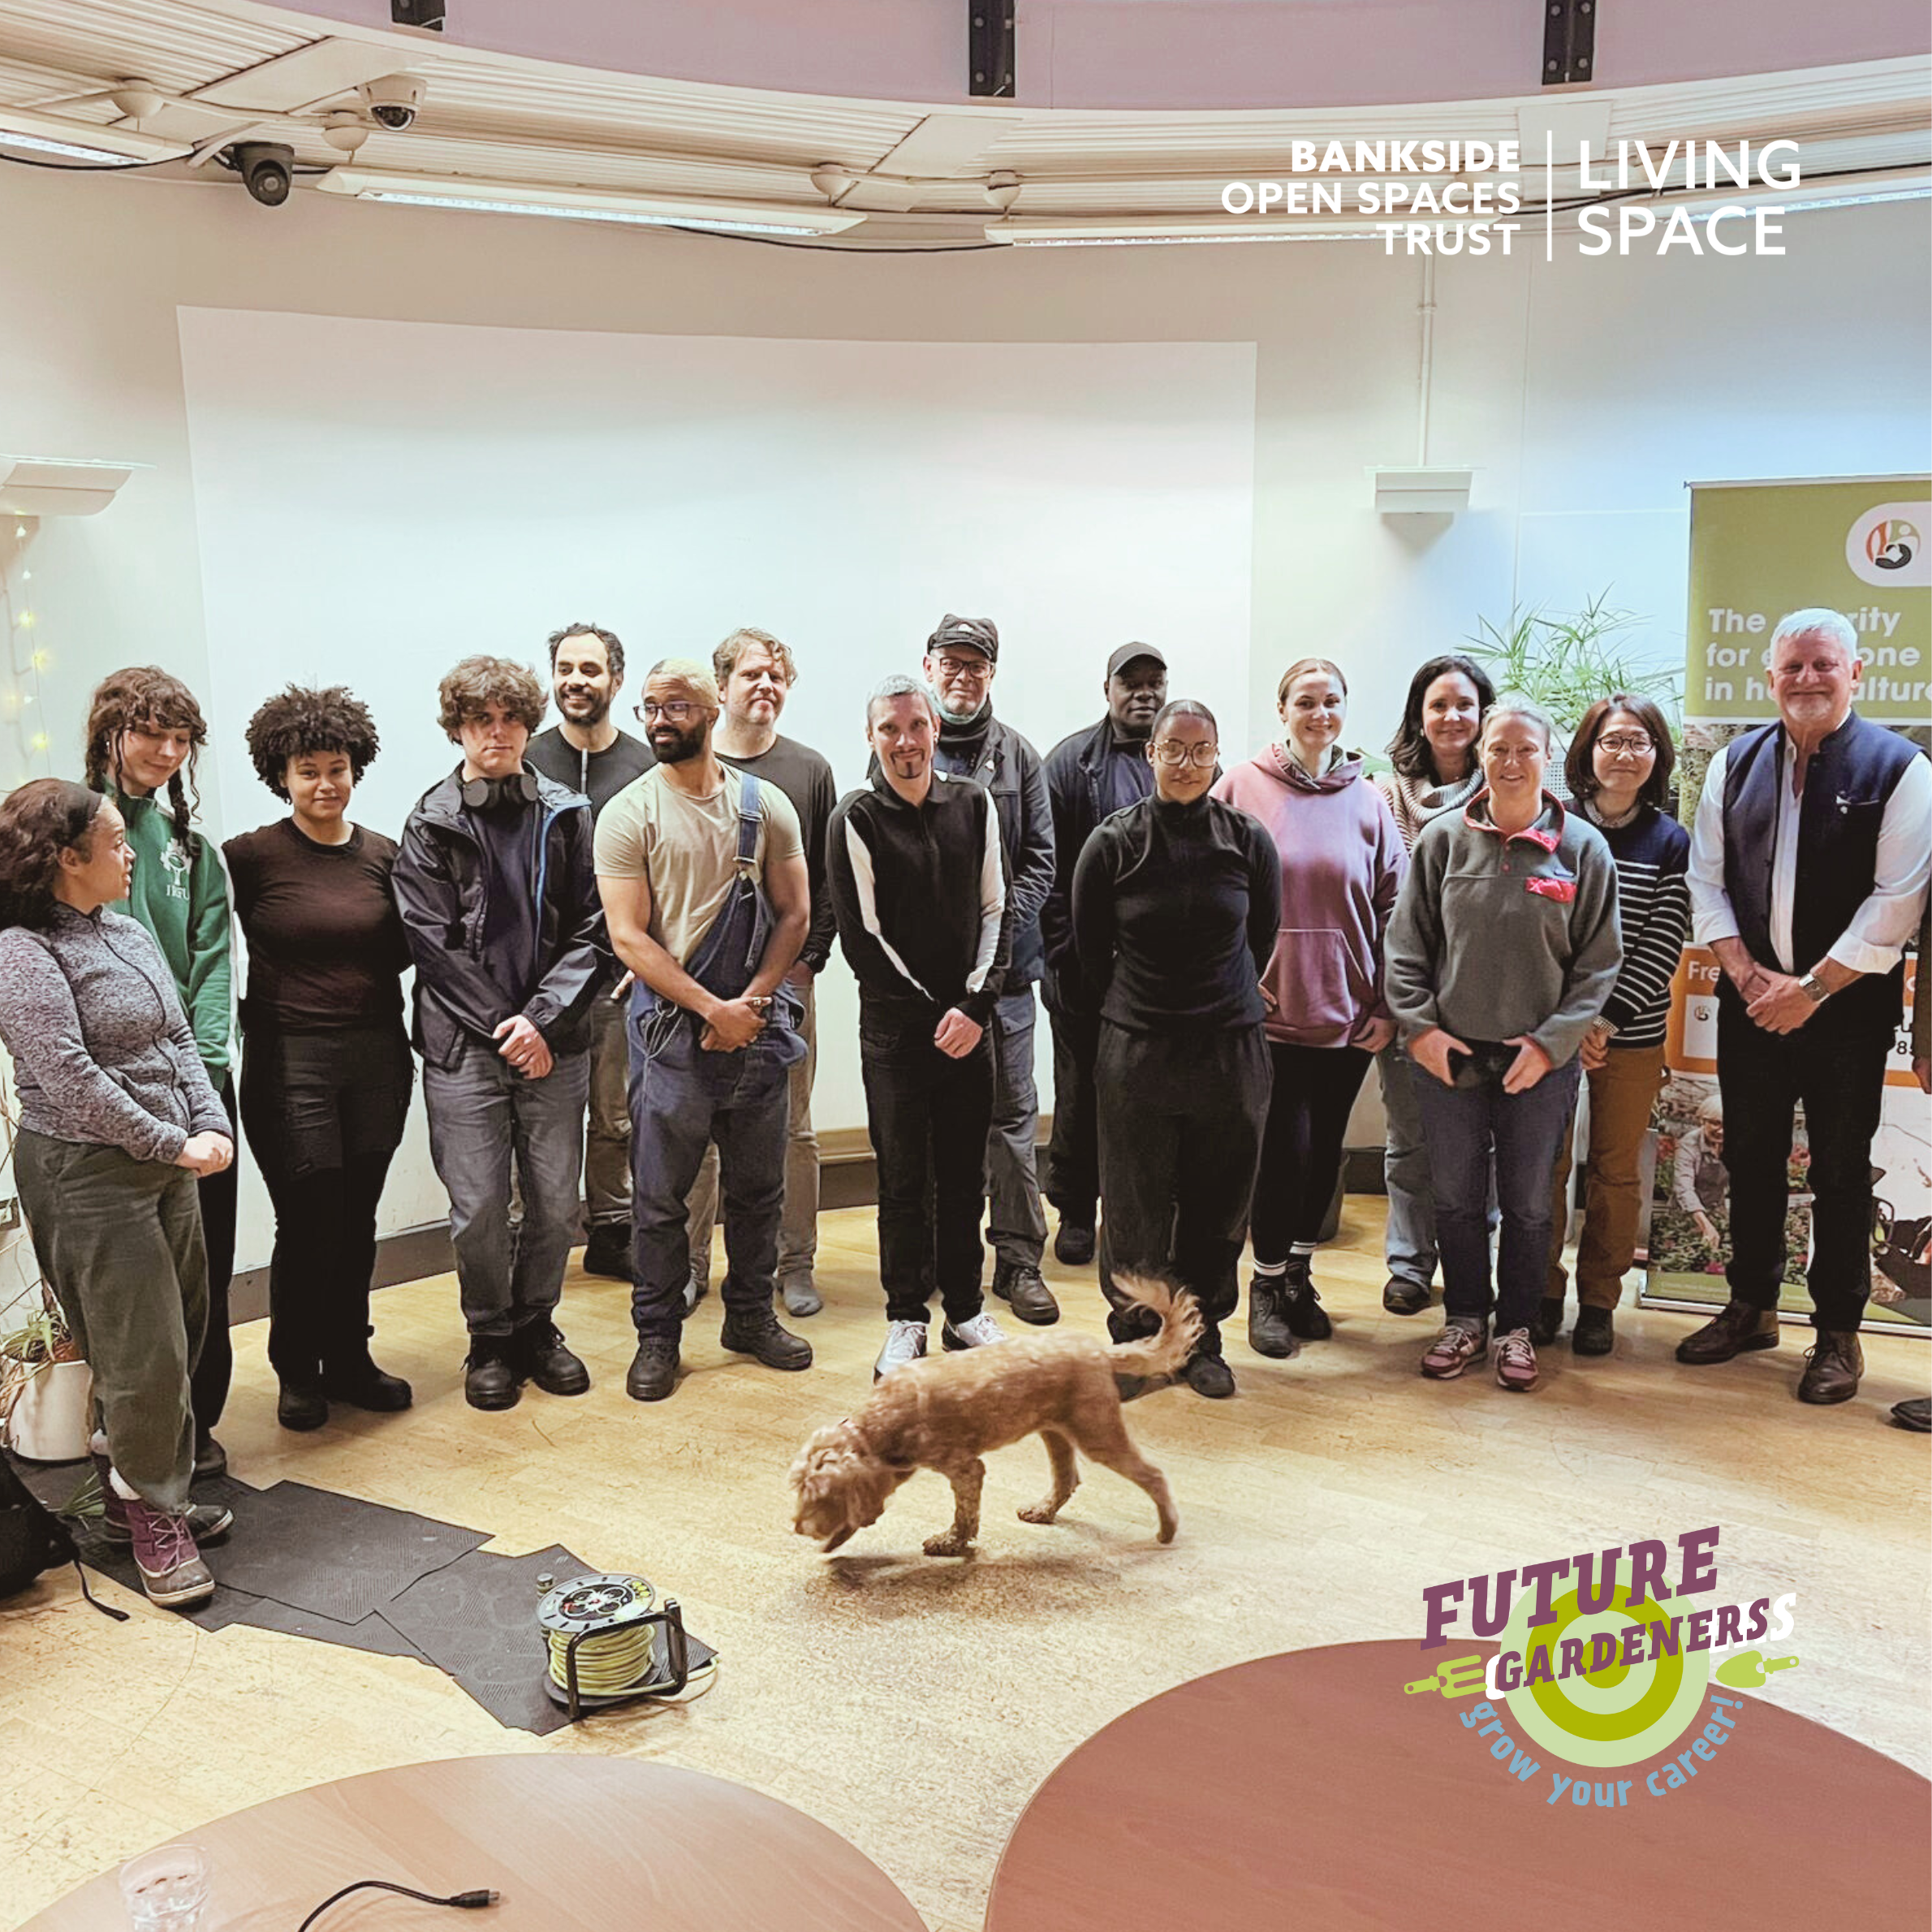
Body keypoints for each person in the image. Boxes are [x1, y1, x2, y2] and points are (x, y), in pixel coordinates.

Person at [1680, 609, 1932, 1404]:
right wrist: (1747, 975)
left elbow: (1898, 901)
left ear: (1854, 673)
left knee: (1838, 1171)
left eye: (1822, 664)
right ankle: (1750, 1306)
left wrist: (1811, 988)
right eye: (1791, 667)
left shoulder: (1900, 767)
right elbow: (1705, 882)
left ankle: (1836, 1334)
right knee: (1749, 1159)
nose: (1806, 679)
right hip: (1750, 1000)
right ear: (1769, 679)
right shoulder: (1732, 764)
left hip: (1846, 1012)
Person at [0, 781, 235, 1608]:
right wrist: (173, 1141)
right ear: (67, 857)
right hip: (88, 1174)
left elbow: (176, 1037)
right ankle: (152, 1520)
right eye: (113, 839)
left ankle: (135, 1487)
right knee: (144, 1358)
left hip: (164, 1164)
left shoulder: (127, 930)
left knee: (180, 1336)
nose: (130, 850)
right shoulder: (21, 951)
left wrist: (206, 1121)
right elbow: (68, 1077)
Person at [1385, 698, 1622, 1394]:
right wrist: (1420, 1031)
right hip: (1448, 1057)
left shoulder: (1583, 848)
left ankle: (1517, 1325)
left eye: (1525, 750)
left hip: (1538, 1064)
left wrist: (1552, 1047)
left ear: (1547, 756)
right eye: (1498, 750)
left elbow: (1597, 966)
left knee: (1527, 1204)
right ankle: (1464, 1317)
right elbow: (1405, 947)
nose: (1511, 763)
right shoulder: (1441, 841)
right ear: (1480, 756)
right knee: (1454, 1197)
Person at [596, 657, 814, 1402]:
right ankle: (657, 1336)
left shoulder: (768, 805)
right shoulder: (629, 813)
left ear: (713, 708)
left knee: (759, 1193)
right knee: (661, 1201)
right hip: (670, 1037)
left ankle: (750, 1318)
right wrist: (709, 1010)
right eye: (651, 708)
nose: (661, 719)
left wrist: (748, 1005)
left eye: (678, 706)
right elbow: (629, 938)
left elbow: (797, 915)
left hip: (754, 1031)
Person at [394, 656, 606, 1410]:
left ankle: (537, 1326)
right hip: (464, 1050)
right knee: (479, 1206)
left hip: (557, 1044)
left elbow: (596, 927)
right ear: (458, 727)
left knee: (554, 1202)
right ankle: (488, 1338)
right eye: (482, 719)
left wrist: (542, 1020)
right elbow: (431, 943)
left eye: (512, 718)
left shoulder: (567, 811)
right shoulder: (430, 822)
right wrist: (505, 1027)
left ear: (529, 725)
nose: (498, 732)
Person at [1072, 699, 1279, 1398]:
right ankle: (1135, 1341)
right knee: (1133, 1203)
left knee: (1219, 1203)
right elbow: (1089, 950)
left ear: (1217, 756)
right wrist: (1140, 1007)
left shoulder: (1248, 842)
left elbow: (1261, 941)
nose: (1187, 763)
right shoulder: (1112, 843)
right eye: (1174, 749)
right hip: (1139, 1050)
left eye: (1202, 750)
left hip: (1230, 1047)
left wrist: (1225, 999)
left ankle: (1199, 1338)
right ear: (1150, 755)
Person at [225, 685, 415, 1432]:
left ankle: (350, 1360)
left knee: (359, 1216)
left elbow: (409, 945)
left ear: (355, 768)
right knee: (308, 1218)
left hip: (375, 1056)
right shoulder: (249, 858)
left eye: (337, 768)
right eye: (309, 771)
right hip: (288, 1060)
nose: (325, 784)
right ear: (281, 776)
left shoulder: (384, 856)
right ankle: (297, 1368)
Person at [1214, 658, 1404, 1356]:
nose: (1319, 713)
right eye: (1305, 701)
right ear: (1281, 709)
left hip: (1348, 1015)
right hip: (1269, 1016)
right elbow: (1216, 895)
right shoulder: (1240, 787)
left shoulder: (1369, 800)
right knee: (1282, 1155)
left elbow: (1394, 908)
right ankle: (1263, 1286)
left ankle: (1297, 1275)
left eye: (1331, 702)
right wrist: (1236, 981)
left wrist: (1385, 1001)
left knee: (1324, 1157)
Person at [828, 675, 1012, 1380]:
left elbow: (997, 909)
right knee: (904, 1182)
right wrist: (939, 1017)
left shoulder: (975, 803)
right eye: (889, 730)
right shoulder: (856, 817)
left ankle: (965, 1311)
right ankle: (907, 1317)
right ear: (872, 738)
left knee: (967, 1178)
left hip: (972, 1028)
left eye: (916, 727)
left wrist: (976, 1007)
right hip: (897, 1041)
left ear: (935, 730)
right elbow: (862, 940)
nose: (905, 742)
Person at [83, 668, 237, 1480]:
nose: (169, 752)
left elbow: (214, 952)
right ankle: (128, 1422)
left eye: (182, 741)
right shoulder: (73, 830)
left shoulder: (190, 847)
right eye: (153, 735)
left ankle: (197, 1419)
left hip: (197, 1078)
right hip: (110, 1092)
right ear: (111, 731)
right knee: (131, 1273)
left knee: (202, 1257)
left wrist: (206, 1066)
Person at [684, 627, 838, 1320]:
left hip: (786, 986)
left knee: (794, 1132)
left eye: (778, 676)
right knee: (697, 1131)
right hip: (699, 991)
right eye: (752, 675)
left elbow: (826, 891)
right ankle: (689, 1268)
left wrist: (797, 971)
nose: (766, 686)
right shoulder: (689, 765)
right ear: (721, 688)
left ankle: (794, 1264)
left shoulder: (809, 770)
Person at [1533, 695, 1692, 1356]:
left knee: (1617, 1170)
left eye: (1639, 743)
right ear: (1587, 751)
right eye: (1612, 740)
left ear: (1656, 757)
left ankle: (1599, 1300)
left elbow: (1665, 938)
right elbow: (1542, 930)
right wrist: (1573, 1021)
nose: (1624, 754)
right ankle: (1539, 1290)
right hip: (1552, 1031)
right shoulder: (1555, 828)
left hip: (1632, 1031)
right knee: (1543, 1165)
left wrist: (1606, 1020)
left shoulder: (1671, 840)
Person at [921, 615, 1058, 1325]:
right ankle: (948, 1261)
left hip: (1004, 979)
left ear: (992, 674)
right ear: (928, 665)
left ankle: (1019, 1260)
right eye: (951, 663)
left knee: (1010, 1118)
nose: (962, 676)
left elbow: (1040, 859)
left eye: (977, 665)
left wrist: (995, 934)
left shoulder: (1019, 757)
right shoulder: (907, 746)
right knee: (939, 1122)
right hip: (930, 986)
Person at [525, 623, 653, 1282]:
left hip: (619, 978)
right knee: (541, 1118)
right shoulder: (525, 760)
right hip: (539, 982)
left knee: (615, 1116)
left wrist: (647, 957)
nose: (576, 681)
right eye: (566, 668)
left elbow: (664, 869)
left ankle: (611, 1230)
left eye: (591, 669)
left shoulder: (644, 766)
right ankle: (534, 1239)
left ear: (616, 681)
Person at [1370, 653, 1497, 1317]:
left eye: (1464, 705)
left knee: (1494, 1147)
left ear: (1483, 715)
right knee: (1411, 1141)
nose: (1452, 718)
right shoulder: (1384, 796)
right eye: (1438, 705)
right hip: (1413, 999)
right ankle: (1410, 1265)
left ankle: (1486, 1265)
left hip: (1492, 1002)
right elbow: (1379, 904)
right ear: (1419, 715)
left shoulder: (1509, 789)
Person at [1038, 644, 1167, 1269]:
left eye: (1154, 682)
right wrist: (1072, 954)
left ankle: (1135, 1215)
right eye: (1131, 682)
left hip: (1158, 977)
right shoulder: (1068, 763)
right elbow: (1046, 868)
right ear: (1107, 688)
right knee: (1081, 1092)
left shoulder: (1186, 757)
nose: (1143, 693)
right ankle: (1074, 1211)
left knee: (1146, 1099)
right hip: (1081, 971)